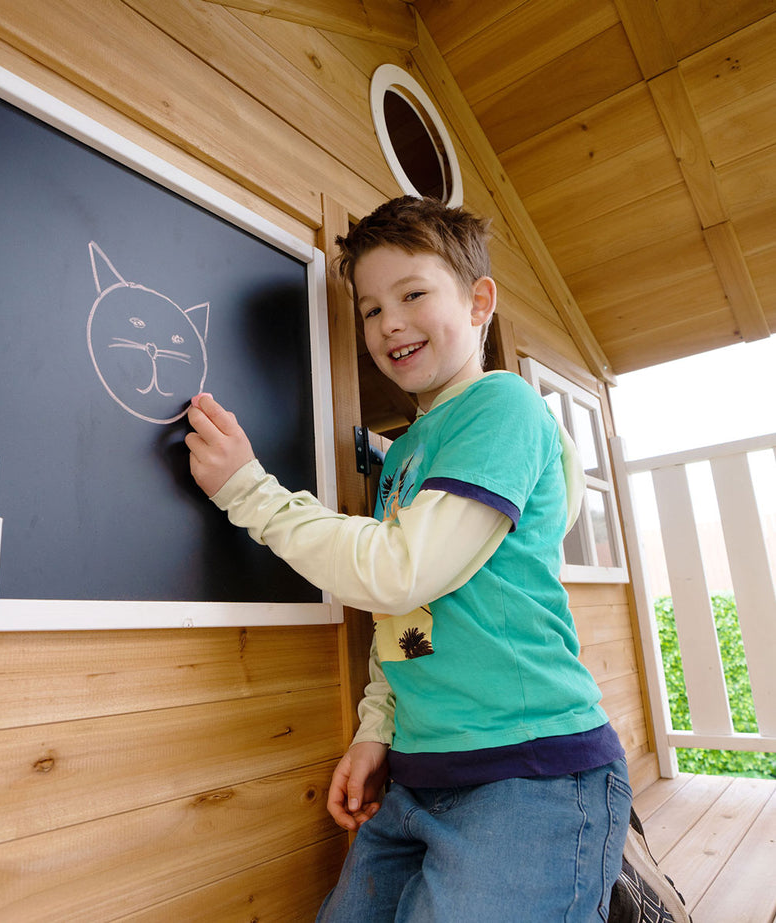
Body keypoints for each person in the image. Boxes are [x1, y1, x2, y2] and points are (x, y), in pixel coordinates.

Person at [185, 195, 631, 922]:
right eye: (368, 309)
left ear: (479, 300)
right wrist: (376, 731)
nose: (388, 321)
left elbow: (398, 569)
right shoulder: (405, 456)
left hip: (530, 771)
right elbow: (405, 615)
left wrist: (248, 491)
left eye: (413, 294)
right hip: (419, 775)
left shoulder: (503, 406)